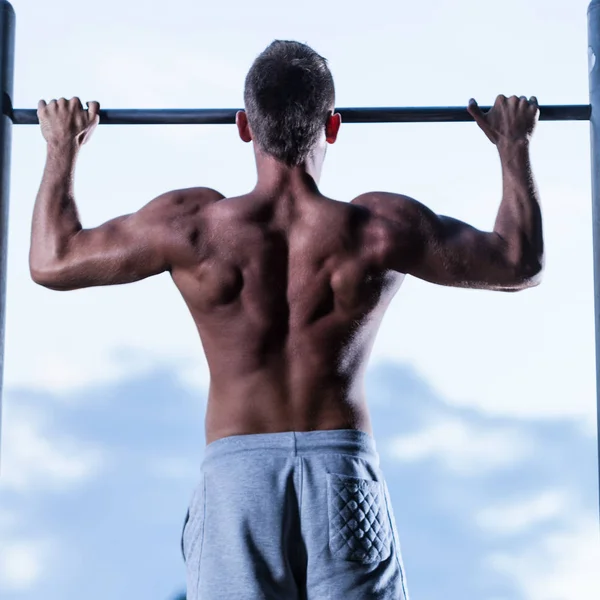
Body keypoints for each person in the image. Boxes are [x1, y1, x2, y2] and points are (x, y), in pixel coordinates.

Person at [30, 40, 543, 600]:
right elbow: (518, 262)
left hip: (238, 481)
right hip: (341, 474)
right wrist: (512, 145)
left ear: (244, 127)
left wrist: (62, 148)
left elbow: (53, 261)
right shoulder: (377, 227)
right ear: (334, 126)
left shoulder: (194, 226)